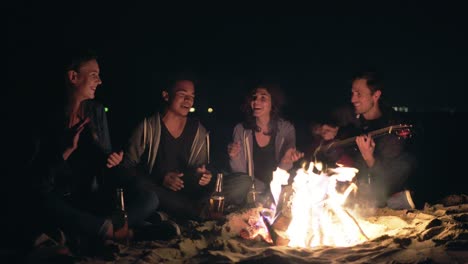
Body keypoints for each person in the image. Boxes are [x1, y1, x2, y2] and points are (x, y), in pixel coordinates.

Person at [30, 49, 173, 258]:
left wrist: (110, 159)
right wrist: (65, 151)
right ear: (73, 77)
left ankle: (103, 230)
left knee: (149, 197)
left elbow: (103, 160)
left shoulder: (95, 111)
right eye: (94, 74)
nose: (100, 81)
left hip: (91, 196)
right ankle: (122, 231)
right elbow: (39, 183)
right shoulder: (44, 115)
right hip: (60, 199)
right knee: (42, 203)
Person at [122, 73, 248, 221]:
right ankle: (194, 211)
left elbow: (202, 168)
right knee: (142, 185)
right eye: (182, 94)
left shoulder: (197, 130)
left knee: (243, 181)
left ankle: (186, 211)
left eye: (192, 96)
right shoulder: (148, 127)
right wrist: (160, 178)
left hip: (190, 193)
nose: (188, 100)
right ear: (166, 95)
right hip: (161, 192)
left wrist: (204, 175)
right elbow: (127, 167)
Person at [339, 70, 417, 209]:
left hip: (381, 189)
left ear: (376, 95)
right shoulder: (352, 121)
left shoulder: (393, 127)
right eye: (352, 93)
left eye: (359, 94)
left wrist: (369, 158)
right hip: (357, 187)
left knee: (407, 162)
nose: (353, 99)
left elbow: (388, 179)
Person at [228, 82, 303, 205]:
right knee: (243, 185)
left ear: (273, 103)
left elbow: (286, 169)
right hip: (253, 186)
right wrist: (234, 156)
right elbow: (240, 175)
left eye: (263, 98)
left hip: (279, 183)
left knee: (296, 178)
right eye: (254, 97)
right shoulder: (241, 130)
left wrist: (286, 161)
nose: (256, 101)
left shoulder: (286, 129)